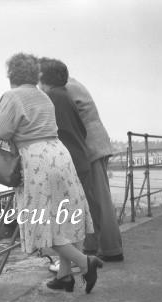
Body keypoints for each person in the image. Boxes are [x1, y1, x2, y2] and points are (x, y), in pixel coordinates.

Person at [0, 53, 103, 293]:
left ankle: (86, 262)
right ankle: (64, 276)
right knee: (63, 218)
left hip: (36, 160)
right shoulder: (45, 96)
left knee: (43, 223)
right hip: (60, 154)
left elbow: (1, 130)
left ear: (11, 74)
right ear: (35, 75)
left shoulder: (11, 96)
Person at [39, 58, 124, 262]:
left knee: (99, 199)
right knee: (96, 198)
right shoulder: (72, 84)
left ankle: (111, 249)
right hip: (95, 143)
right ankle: (96, 246)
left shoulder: (61, 90)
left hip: (90, 147)